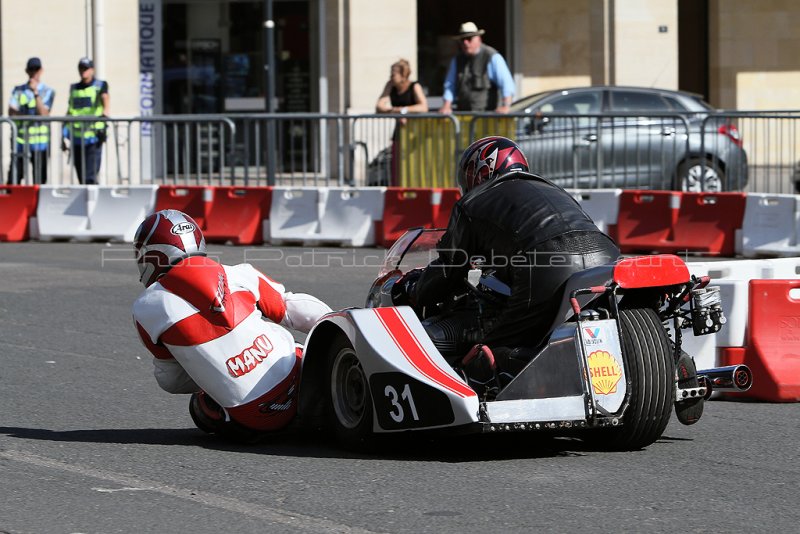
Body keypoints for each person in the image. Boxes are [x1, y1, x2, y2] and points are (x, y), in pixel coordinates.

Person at [394, 136, 619, 384]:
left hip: (546, 262)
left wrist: (417, 288)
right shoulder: (553, 189)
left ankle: (500, 397)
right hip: (606, 256)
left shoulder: (472, 202)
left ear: (479, 172)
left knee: (493, 346)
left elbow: (450, 267)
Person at [132, 209, 332, 442]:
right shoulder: (238, 274)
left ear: (151, 254)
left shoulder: (145, 308)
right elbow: (295, 311)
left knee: (201, 404)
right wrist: (340, 324)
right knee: (289, 324)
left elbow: (171, 380)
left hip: (258, 419)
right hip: (300, 379)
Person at [439, 22, 515, 115]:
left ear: (478, 39)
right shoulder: (457, 60)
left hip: (487, 116)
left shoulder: (492, 56)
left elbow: (506, 83)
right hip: (464, 115)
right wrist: (446, 106)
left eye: (469, 39)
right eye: (462, 40)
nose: (465, 42)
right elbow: (450, 85)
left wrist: (506, 106)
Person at [7, 57, 55, 184]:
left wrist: (35, 93)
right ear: (26, 71)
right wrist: (26, 114)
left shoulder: (47, 91)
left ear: (41, 70)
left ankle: (38, 204)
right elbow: (11, 112)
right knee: (14, 179)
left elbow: (44, 114)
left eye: (36, 69)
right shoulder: (18, 90)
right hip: (21, 142)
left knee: (39, 181)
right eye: (31, 69)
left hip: (40, 143)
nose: (34, 72)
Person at [62, 57, 109, 185]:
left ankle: (93, 203)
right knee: (81, 176)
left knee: (90, 176)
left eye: (86, 68)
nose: (83, 71)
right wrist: (63, 131)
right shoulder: (74, 88)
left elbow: (105, 99)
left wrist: (106, 112)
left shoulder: (100, 85)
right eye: (81, 68)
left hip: (93, 137)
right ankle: (86, 202)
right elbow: (70, 110)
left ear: (92, 70)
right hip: (77, 137)